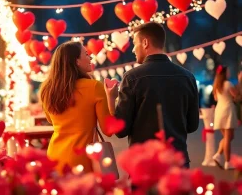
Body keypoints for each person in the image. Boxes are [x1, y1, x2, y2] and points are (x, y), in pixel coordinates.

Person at [105, 22, 199, 168]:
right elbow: (192, 125)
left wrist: (111, 99)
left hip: (144, 164)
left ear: (145, 42)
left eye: (135, 44)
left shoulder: (132, 78)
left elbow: (120, 130)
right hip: (177, 161)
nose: (133, 50)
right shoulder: (188, 77)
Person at [39, 41, 112, 174]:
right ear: (76, 61)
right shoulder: (94, 87)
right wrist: (111, 98)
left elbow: (51, 120)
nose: (90, 57)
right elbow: (108, 130)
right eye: (85, 54)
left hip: (54, 158)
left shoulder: (47, 89)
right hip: (82, 159)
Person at [212, 65, 238, 170]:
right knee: (228, 137)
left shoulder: (216, 85)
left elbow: (216, 98)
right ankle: (228, 162)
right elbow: (236, 96)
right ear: (224, 73)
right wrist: (240, 82)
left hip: (219, 110)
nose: (229, 73)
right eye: (228, 71)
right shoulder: (228, 84)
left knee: (229, 137)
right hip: (228, 110)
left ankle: (218, 155)